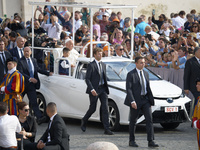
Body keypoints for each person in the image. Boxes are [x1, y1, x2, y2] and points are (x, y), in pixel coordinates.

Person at [124, 56, 159, 148]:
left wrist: (150, 101)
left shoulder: (146, 73)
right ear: (136, 63)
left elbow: (147, 88)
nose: (143, 64)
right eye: (141, 63)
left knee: (149, 120)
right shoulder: (131, 74)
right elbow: (129, 89)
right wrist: (132, 101)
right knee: (133, 121)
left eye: (144, 62)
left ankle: (150, 141)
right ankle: (131, 140)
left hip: (145, 100)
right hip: (135, 100)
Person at [81, 47, 113, 135]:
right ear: (95, 55)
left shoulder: (103, 65)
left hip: (103, 89)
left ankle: (107, 129)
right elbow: (87, 79)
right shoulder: (91, 65)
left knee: (105, 108)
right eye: (99, 53)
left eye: (101, 53)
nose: (100, 55)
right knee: (93, 108)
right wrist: (92, 89)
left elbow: (104, 77)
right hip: (94, 89)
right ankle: (84, 120)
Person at [17, 47, 52, 125]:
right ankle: (16, 117)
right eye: (25, 51)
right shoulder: (20, 61)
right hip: (23, 85)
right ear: (23, 52)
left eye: (28, 51)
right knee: (19, 102)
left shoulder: (33, 60)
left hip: (31, 86)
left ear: (31, 52)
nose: (26, 53)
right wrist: (30, 78)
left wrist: (47, 73)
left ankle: (39, 118)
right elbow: (20, 72)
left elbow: (37, 69)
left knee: (34, 102)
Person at [192, 78, 200, 149]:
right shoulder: (198, 99)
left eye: (199, 84)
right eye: (197, 84)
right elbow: (195, 113)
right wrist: (194, 120)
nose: (197, 86)